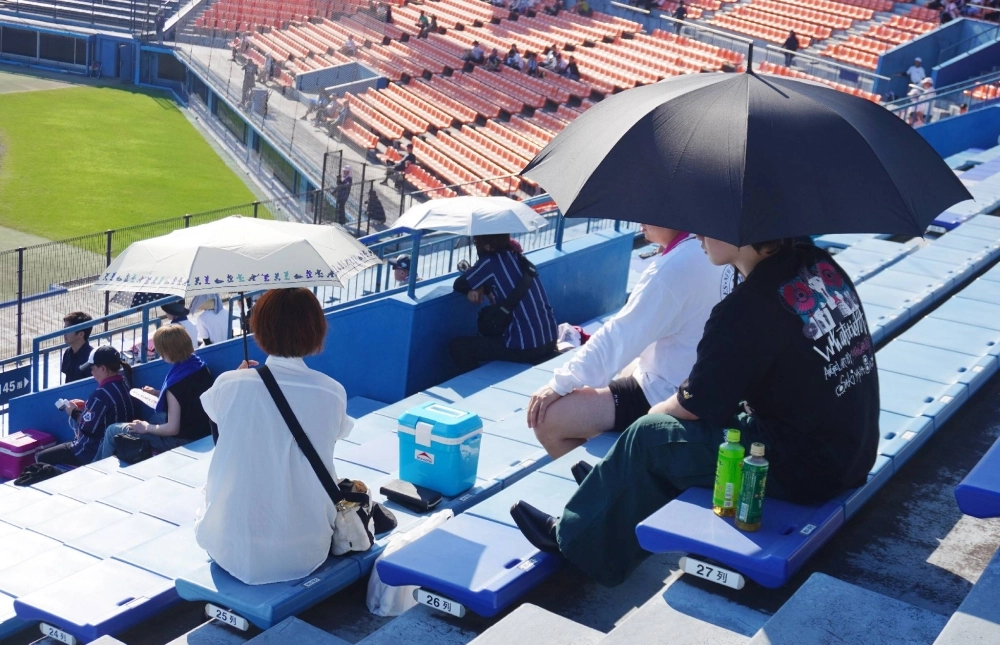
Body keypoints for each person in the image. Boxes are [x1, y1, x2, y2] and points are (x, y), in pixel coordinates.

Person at [509, 236, 880, 588]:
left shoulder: (747, 308)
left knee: (650, 435)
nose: (699, 234)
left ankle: (575, 541)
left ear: (745, 233)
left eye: (710, 223)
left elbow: (690, 407)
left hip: (806, 468)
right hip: (851, 450)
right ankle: (614, 484)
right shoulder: (818, 265)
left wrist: (641, 434)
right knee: (677, 432)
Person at [527, 227, 733, 459]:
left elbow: (618, 337)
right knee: (626, 366)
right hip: (706, 384)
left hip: (670, 393)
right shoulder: (723, 249)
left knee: (547, 419)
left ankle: (604, 485)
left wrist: (559, 384)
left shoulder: (674, 268)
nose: (638, 220)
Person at [195, 288, 353, 585]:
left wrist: (239, 378)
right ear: (317, 330)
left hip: (229, 546)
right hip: (306, 549)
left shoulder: (229, 384)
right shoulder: (332, 390)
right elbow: (337, 432)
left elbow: (219, 415)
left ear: (259, 328)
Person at [94, 326, 214, 461]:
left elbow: (172, 429)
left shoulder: (175, 385)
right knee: (156, 418)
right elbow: (188, 398)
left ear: (166, 351)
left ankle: (97, 466)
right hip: (205, 430)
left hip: (186, 440)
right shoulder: (200, 367)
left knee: (111, 430)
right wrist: (158, 393)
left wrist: (146, 427)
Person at [449, 234, 558, 373]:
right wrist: (482, 285)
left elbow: (459, 284)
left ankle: (478, 386)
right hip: (549, 340)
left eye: (477, 243)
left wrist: (479, 285)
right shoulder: (520, 259)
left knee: (458, 346)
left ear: (487, 246)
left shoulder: (490, 262)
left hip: (527, 346)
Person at [36, 346, 136, 467]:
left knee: (41, 457)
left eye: (92, 369)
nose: (91, 373)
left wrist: (73, 412)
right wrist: (88, 407)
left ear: (103, 368)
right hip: (116, 447)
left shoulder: (100, 395)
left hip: (90, 452)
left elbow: (86, 428)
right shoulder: (124, 385)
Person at [61, 312, 94, 384]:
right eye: (64, 329)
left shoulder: (91, 359)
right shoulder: (67, 353)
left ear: (81, 334)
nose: (64, 333)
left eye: (68, 330)